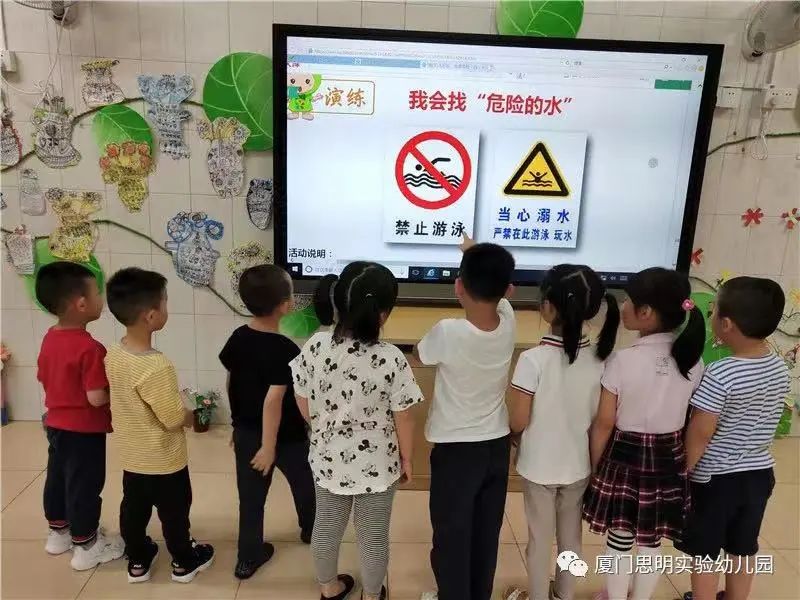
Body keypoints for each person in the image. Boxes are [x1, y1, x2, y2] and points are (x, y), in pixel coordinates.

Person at [291, 261, 423, 600]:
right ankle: (372, 594)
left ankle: (328, 588)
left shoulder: (316, 346)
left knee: (326, 526)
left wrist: (321, 428)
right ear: (383, 314)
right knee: (373, 537)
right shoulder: (392, 358)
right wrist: (407, 459)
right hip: (378, 465)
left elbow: (302, 399)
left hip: (327, 459)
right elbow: (404, 417)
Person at [583, 267, 706, 600]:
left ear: (646, 312)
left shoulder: (622, 361)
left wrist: (595, 466)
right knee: (652, 542)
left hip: (624, 457)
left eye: (628, 300)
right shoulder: (693, 361)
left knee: (619, 539)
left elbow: (604, 422)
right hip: (670, 457)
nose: (623, 306)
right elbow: (695, 419)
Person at [503, 265, 620, 600]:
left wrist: (512, 436)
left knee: (540, 540)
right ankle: (564, 594)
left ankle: (538, 595)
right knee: (571, 539)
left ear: (547, 307)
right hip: (578, 466)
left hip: (538, 467)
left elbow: (518, 420)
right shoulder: (603, 359)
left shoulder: (533, 360)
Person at [416, 239, 516, 600]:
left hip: (457, 451)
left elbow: (422, 355)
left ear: (458, 286)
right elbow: (501, 298)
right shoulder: (509, 322)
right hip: (497, 446)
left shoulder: (448, 331)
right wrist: (475, 254)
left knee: (451, 534)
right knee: (485, 532)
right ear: (508, 290)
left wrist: (469, 254)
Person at [679, 277, 790, 600]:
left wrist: (684, 470)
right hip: (759, 475)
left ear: (726, 324)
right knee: (743, 546)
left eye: (713, 312)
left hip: (716, 480)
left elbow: (701, 431)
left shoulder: (721, 373)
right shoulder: (779, 367)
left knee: (706, 550)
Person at [105, 268, 214, 584]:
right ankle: (183, 561)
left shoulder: (114, 353)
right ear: (151, 316)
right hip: (165, 461)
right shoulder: (157, 366)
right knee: (175, 512)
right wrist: (193, 417)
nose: (168, 309)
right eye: (165, 303)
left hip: (132, 457)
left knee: (133, 510)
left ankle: (138, 560)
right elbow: (171, 418)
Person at [219, 264, 316, 580]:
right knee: (305, 484)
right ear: (285, 305)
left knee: (250, 499)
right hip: (284, 438)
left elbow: (232, 381)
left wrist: (237, 423)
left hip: (248, 433)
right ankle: (311, 530)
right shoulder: (284, 349)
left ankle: (248, 557)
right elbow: (274, 400)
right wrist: (269, 447)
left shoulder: (237, 338)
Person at [36, 262, 124, 571]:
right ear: (82, 304)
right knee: (84, 485)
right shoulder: (90, 348)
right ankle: (86, 545)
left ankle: (58, 533)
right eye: (98, 293)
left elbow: (44, 377)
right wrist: (118, 392)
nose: (102, 299)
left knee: (58, 478)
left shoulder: (50, 338)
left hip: (56, 425)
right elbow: (96, 397)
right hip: (84, 431)